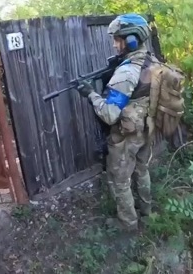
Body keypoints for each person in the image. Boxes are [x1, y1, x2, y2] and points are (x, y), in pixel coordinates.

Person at [76, 14, 154, 231]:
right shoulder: (149, 60)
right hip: (146, 126)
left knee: (120, 179)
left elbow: (110, 114)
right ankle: (147, 213)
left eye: (118, 39)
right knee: (142, 169)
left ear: (131, 40)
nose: (114, 44)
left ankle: (128, 224)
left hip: (128, 134)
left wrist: (91, 94)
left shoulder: (127, 71)